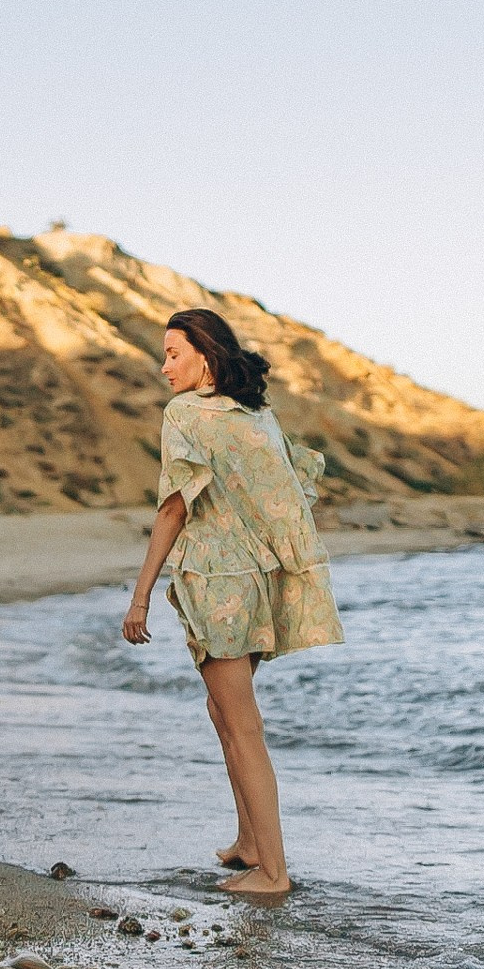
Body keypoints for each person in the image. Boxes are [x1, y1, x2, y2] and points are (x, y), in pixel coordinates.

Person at [121, 308, 343, 895]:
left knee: (242, 727)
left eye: (173, 353)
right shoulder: (256, 414)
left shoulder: (185, 414)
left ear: (206, 353)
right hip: (255, 580)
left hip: (218, 584)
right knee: (226, 715)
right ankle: (249, 842)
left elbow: (174, 506)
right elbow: (290, 491)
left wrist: (140, 595)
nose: (164, 366)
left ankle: (273, 873)